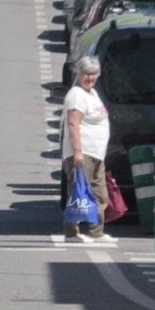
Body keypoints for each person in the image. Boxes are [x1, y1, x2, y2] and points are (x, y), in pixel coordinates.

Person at [62, 56, 115, 244]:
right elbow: (73, 124)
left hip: (96, 153)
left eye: (93, 74)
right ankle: (72, 233)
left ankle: (97, 232)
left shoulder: (92, 93)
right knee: (78, 192)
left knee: (99, 194)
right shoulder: (77, 95)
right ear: (78, 73)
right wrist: (77, 152)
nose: (90, 78)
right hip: (83, 153)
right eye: (86, 74)